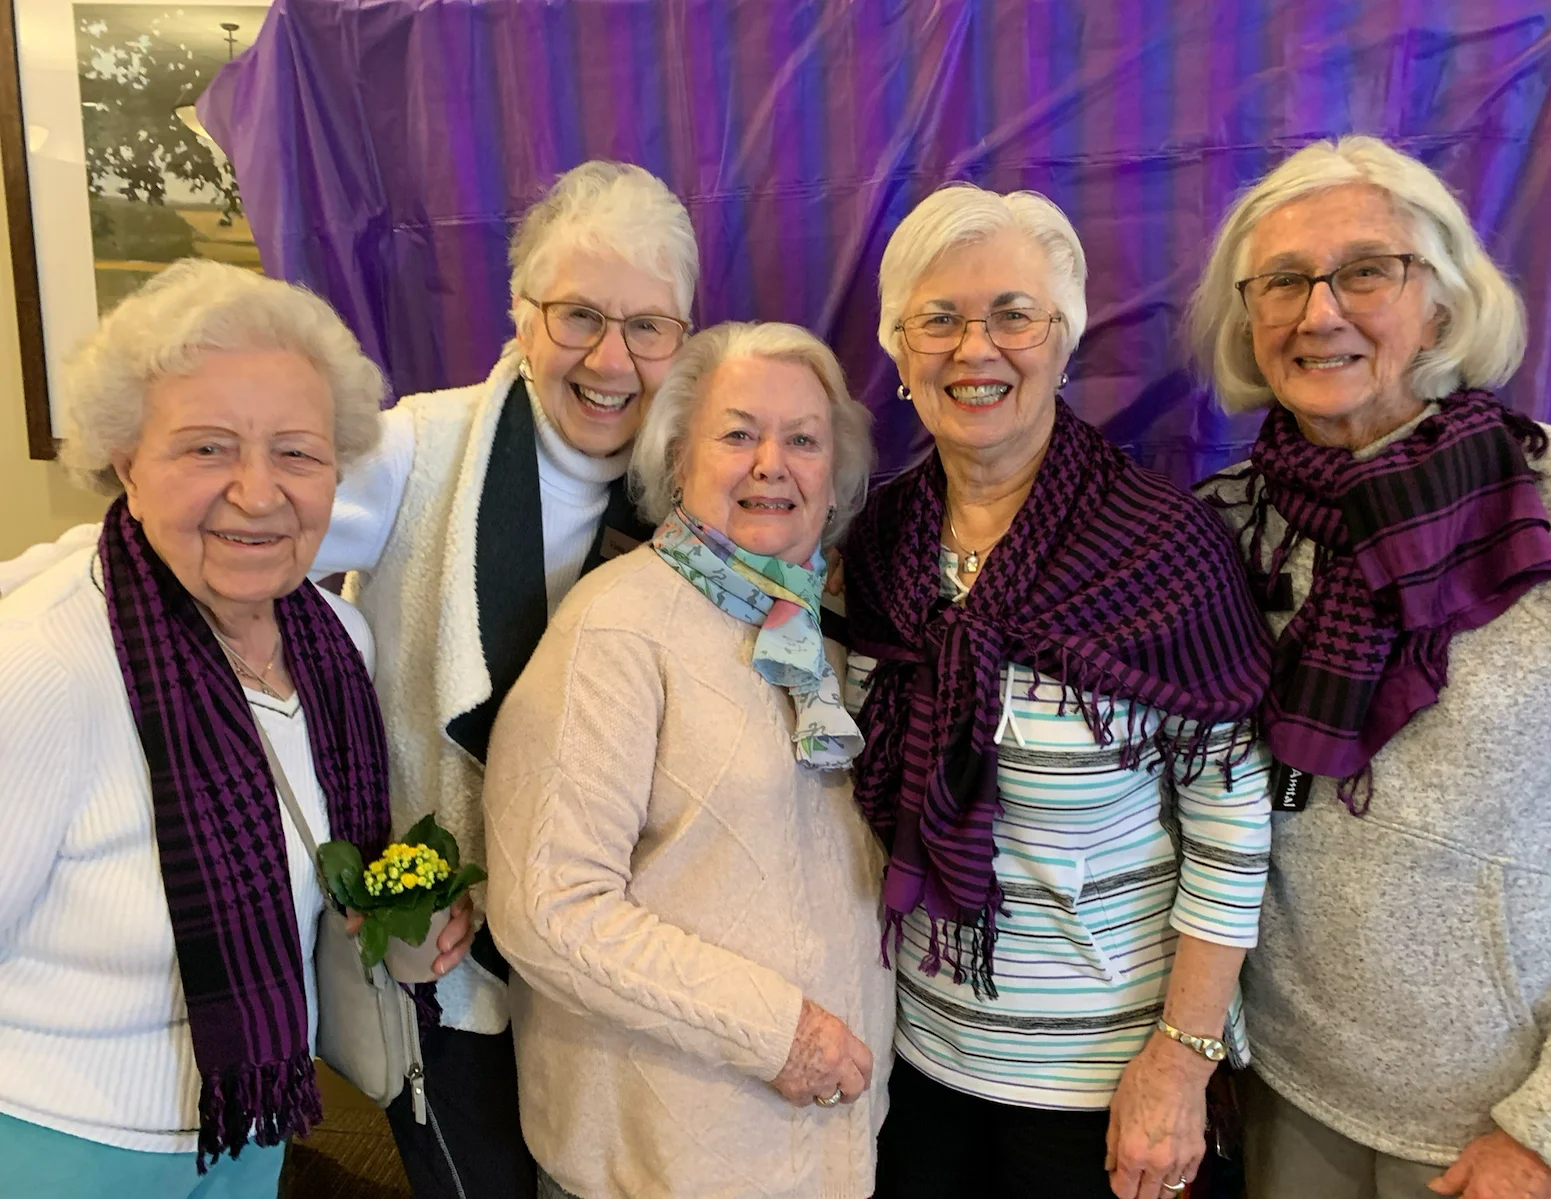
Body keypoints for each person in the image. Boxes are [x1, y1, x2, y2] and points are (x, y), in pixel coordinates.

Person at [1186, 134, 1551, 1199]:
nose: (1318, 312)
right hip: (1286, 1089)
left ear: (1446, 302)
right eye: (1281, 280)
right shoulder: (1227, 527)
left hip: (1499, 1124)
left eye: (1365, 270)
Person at [0, 260, 470, 1197]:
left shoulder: (333, 636)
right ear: (128, 458)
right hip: (61, 1143)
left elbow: (308, 864)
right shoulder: (44, 664)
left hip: (252, 1128)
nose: (258, 494)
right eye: (207, 449)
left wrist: (402, 919)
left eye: (297, 452)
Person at [844, 183, 1275, 1199]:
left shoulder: (1158, 542)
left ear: (1064, 341)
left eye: (1012, 314)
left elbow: (1230, 816)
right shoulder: (877, 540)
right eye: (937, 320)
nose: (974, 348)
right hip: (915, 1057)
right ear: (900, 356)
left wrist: (1181, 1058)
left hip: (1107, 1080)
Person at [302, 160, 699, 1194]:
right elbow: (234, 567)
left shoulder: (708, 489)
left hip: (629, 966)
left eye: (649, 327)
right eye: (578, 315)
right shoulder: (411, 451)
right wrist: (365, 860)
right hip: (455, 961)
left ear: (684, 340)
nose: (612, 359)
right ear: (520, 314)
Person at [482, 321, 893, 1199]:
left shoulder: (826, 624)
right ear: (677, 462)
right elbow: (548, 907)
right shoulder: (616, 627)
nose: (771, 463)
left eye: (803, 440)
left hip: (821, 1145)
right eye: (738, 433)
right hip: (658, 1165)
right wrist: (778, 1033)